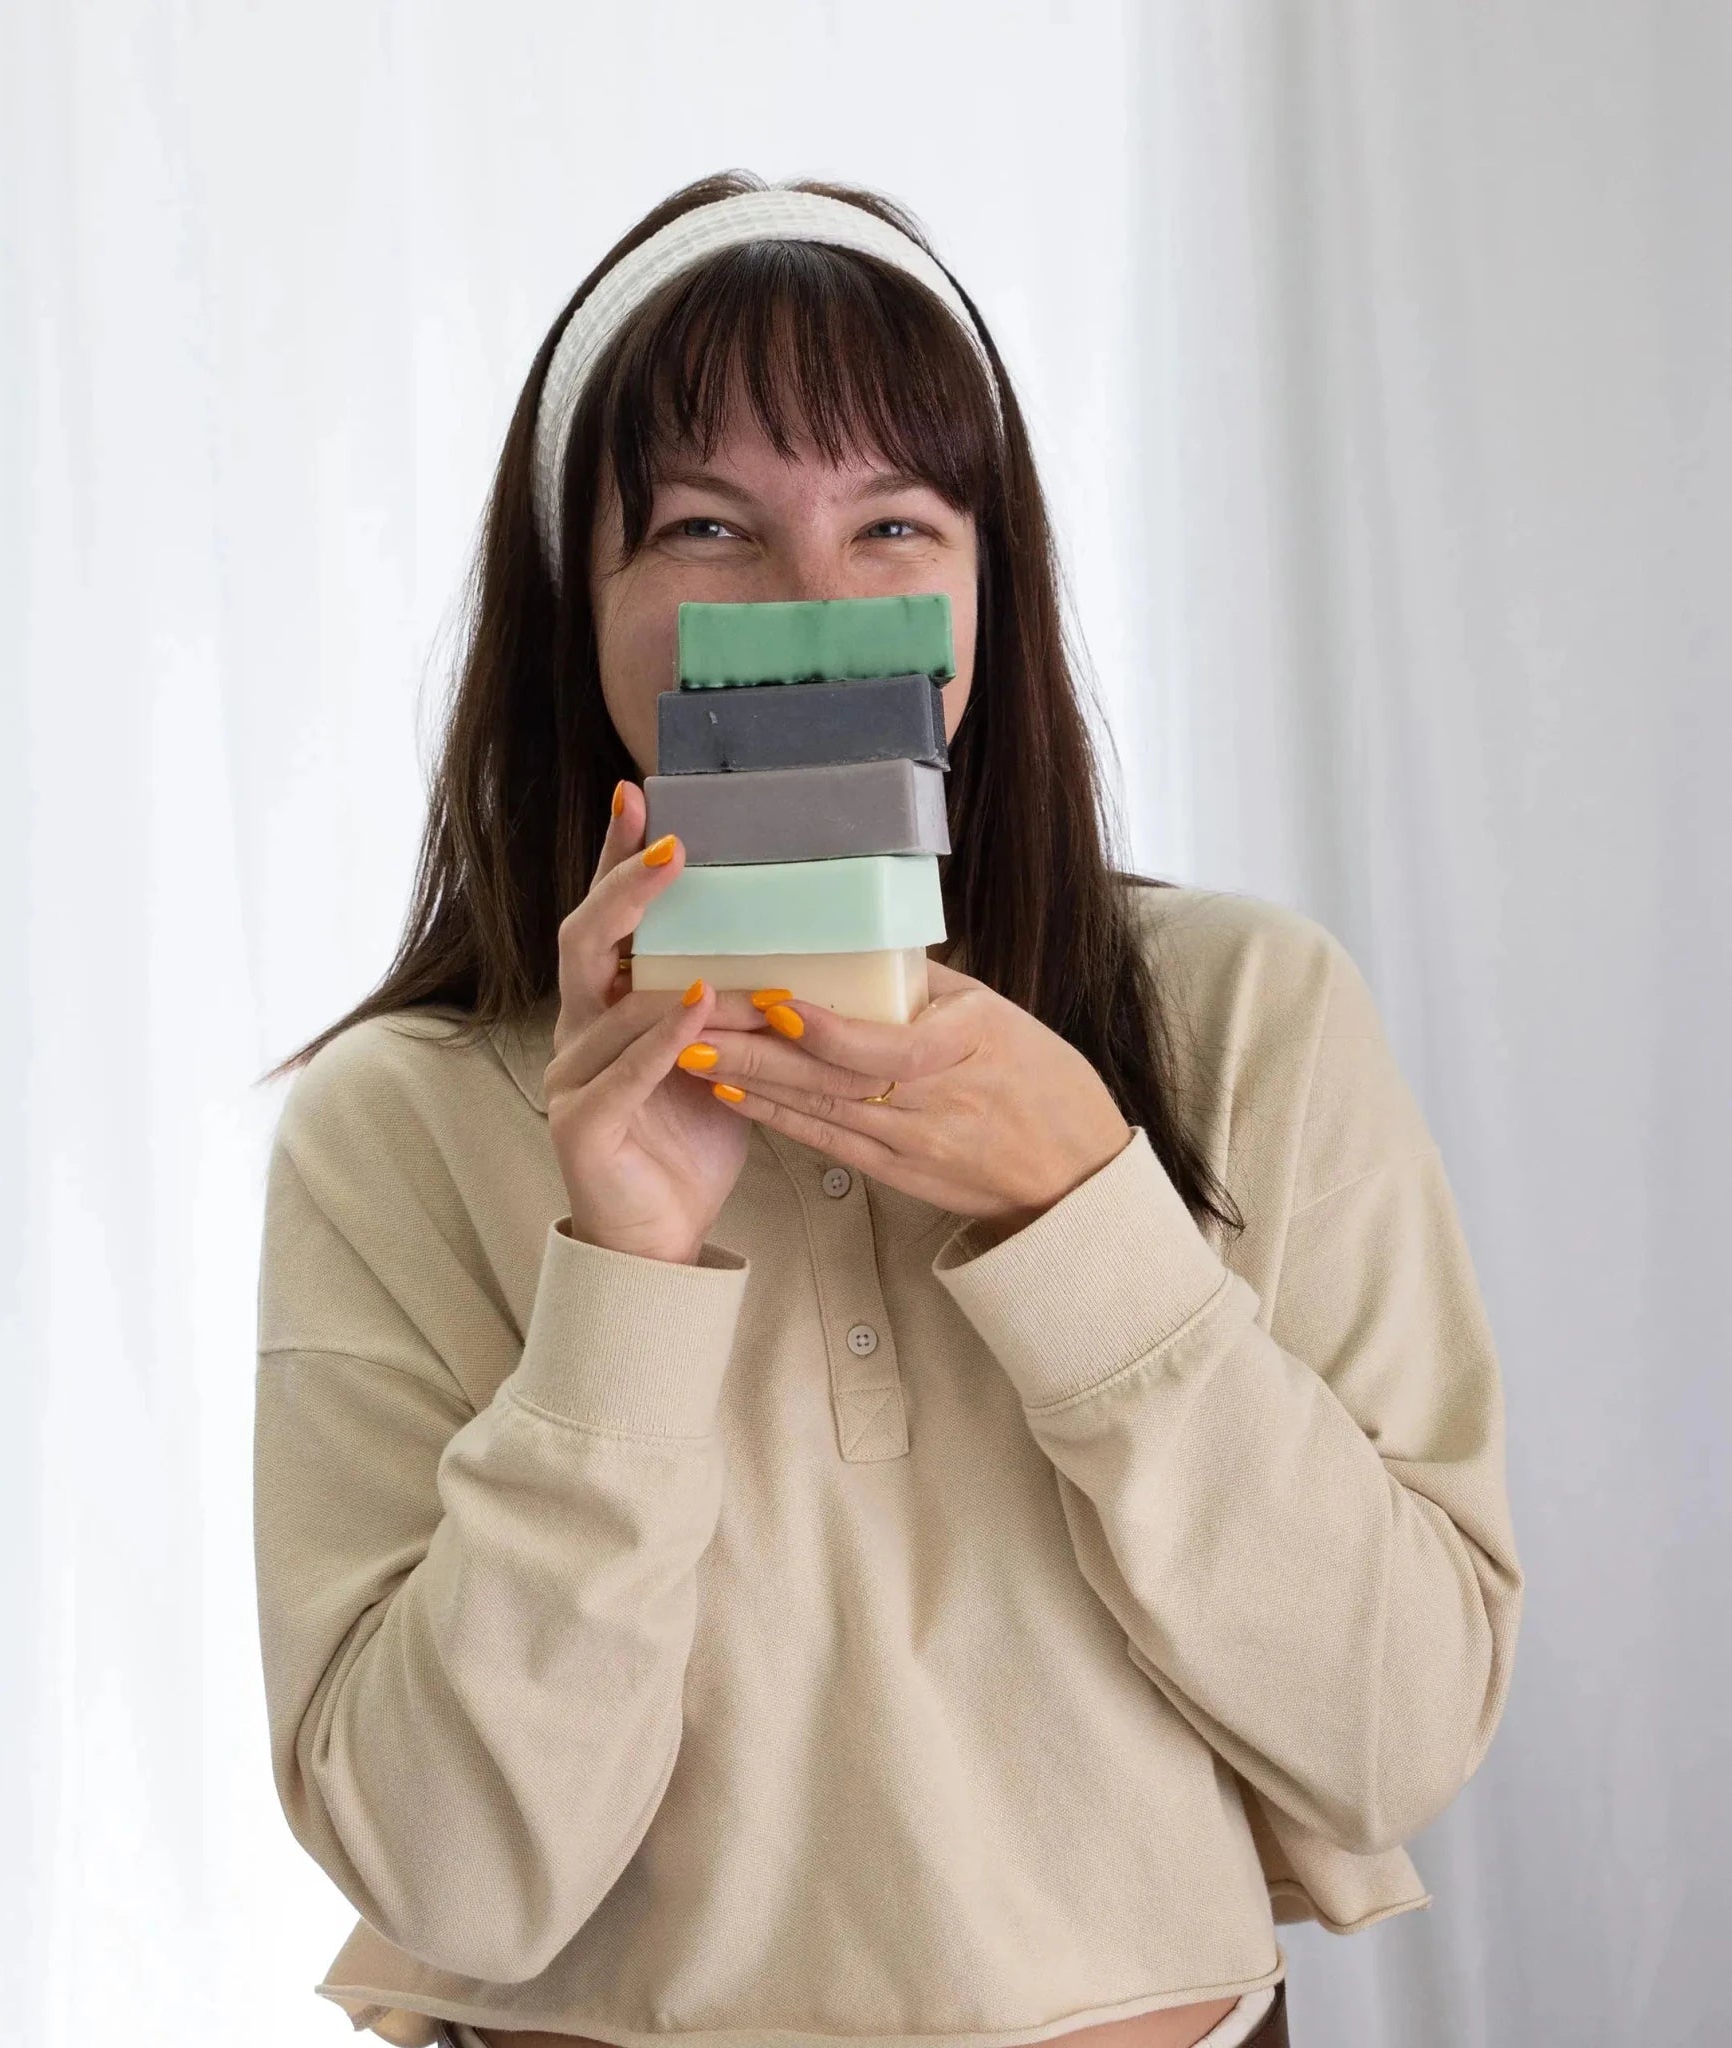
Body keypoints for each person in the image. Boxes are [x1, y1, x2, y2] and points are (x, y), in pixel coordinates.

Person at [251, 171, 1523, 2048]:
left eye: (895, 521)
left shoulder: (1249, 1013)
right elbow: (454, 1879)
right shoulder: (394, 1119)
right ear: (573, 605)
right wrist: (623, 1268)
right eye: (704, 526)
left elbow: (1395, 1735)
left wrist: (1087, 1215)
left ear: (987, 581)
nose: (818, 609)